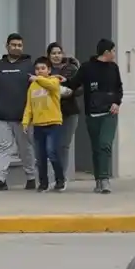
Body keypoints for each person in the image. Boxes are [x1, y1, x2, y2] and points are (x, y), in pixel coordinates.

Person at [65, 38, 124, 193]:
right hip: (92, 114)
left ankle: (104, 179)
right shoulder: (87, 68)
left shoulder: (114, 68)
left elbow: (119, 88)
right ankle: (98, 179)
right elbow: (73, 83)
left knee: (105, 144)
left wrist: (117, 102)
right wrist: (58, 81)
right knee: (97, 147)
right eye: (113, 51)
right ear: (106, 52)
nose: (114, 54)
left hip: (109, 113)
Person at [0, 33, 37, 191]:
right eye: (13, 45)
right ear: (7, 46)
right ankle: (0, 179)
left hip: (23, 117)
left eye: (19, 45)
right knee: (3, 147)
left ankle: (31, 177)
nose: (16, 47)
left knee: (25, 148)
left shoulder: (30, 66)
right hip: (2, 116)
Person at [22, 56, 66, 192]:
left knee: (52, 152)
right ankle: (43, 183)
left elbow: (51, 86)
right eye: (37, 69)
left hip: (53, 124)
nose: (40, 71)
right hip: (38, 125)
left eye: (43, 68)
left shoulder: (53, 81)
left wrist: (38, 79)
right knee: (40, 156)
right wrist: (25, 121)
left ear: (49, 70)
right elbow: (29, 106)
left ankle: (60, 180)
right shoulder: (32, 87)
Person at [47, 42, 79, 176]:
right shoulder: (45, 70)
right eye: (53, 53)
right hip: (50, 112)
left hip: (69, 111)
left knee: (63, 146)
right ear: (48, 56)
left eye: (59, 53)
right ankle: (51, 176)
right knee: (51, 147)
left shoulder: (72, 69)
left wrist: (71, 91)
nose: (56, 56)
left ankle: (61, 177)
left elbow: (81, 87)